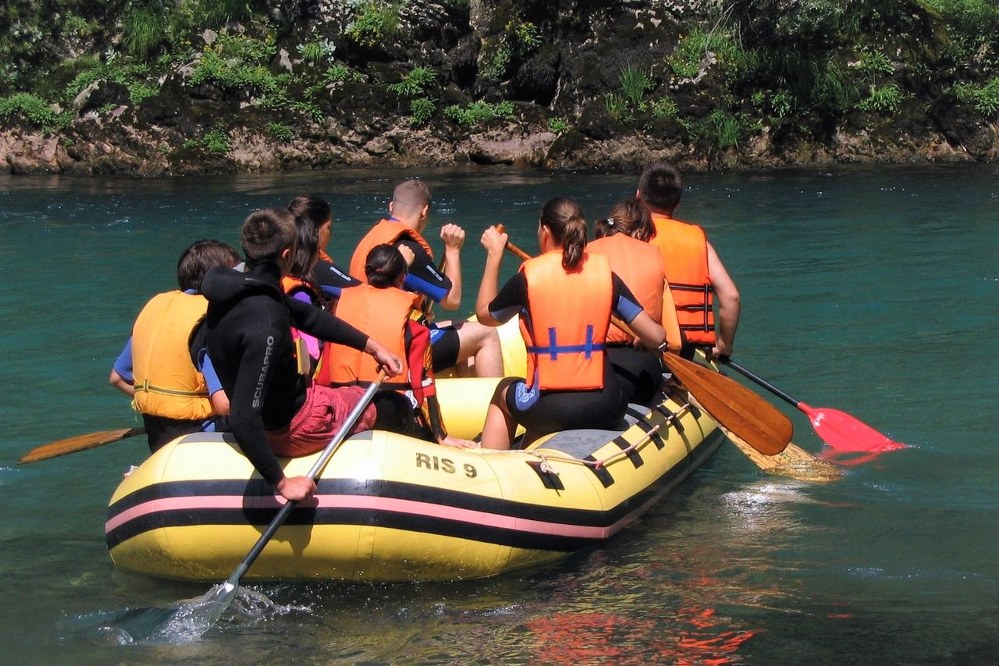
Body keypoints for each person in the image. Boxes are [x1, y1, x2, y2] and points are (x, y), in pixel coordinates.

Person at [201, 208, 403, 502]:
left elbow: (306, 316)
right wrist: (281, 483)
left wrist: (372, 345)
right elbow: (243, 415)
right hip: (295, 426)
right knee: (393, 405)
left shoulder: (233, 292)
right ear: (286, 255)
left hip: (276, 416)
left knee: (346, 392)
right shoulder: (267, 324)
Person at [475, 197, 665, 450]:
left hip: (551, 406)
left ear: (544, 231)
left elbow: (484, 315)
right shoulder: (605, 275)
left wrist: (493, 256)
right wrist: (646, 336)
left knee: (503, 391)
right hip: (607, 405)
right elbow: (656, 336)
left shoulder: (528, 278)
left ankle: (493, 469)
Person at [324, 244, 475, 448]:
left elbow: (323, 371)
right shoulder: (413, 319)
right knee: (419, 425)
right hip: (386, 411)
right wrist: (440, 435)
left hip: (340, 408)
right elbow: (423, 381)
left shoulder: (340, 306)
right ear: (402, 278)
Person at [349, 179, 503, 378]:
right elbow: (452, 300)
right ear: (424, 212)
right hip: (394, 348)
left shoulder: (373, 238)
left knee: (462, 324)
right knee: (486, 332)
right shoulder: (407, 248)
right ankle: (497, 406)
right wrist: (453, 250)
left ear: (390, 206)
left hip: (364, 341)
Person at [109, 239, 241, 452]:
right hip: (205, 437)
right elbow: (223, 404)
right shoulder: (209, 321)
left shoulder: (157, 312)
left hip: (159, 437)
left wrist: (164, 404)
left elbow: (116, 378)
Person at [636, 162, 741, 360]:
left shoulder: (631, 237)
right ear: (677, 203)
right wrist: (724, 346)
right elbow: (731, 297)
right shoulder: (698, 241)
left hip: (642, 345)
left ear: (638, 196)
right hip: (686, 349)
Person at [589, 198, 683, 404]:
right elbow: (674, 341)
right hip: (642, 369)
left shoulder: (585, 254)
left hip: (594, 367)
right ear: (640, 233)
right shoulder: (654, 255)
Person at [286, 194, 359, 304]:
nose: (331, 234)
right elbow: (362, 293)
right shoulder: (317, 267)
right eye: (328, 227)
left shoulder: (283, 260)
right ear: (316, 231)